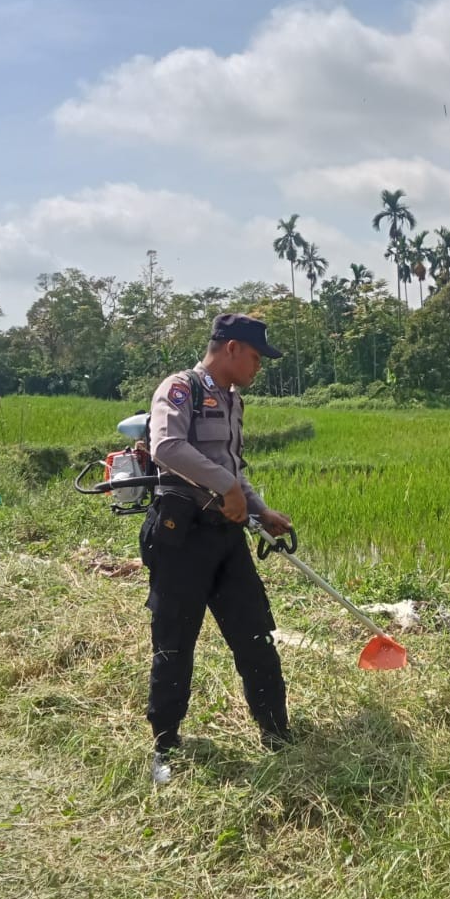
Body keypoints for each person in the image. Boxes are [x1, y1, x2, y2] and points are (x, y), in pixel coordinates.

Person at [141, 312, 294, 784]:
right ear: (230, 348)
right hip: (182, 537)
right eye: (254, 357)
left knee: (256, 635)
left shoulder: (233, 401)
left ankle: (277, 735)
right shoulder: (180, 387)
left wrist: (259, 507)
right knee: (175, 643)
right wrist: (226, 486)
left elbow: (232, 465)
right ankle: (164, 745)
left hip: (226, 539)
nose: (258, 367)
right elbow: (166, 446)